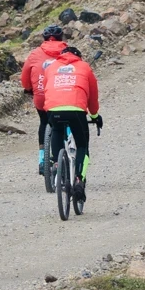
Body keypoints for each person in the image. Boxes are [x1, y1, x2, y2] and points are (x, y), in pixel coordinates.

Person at [40, 44, 100, 192]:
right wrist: (95, 116)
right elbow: (92, 96)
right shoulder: (84, 67)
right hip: (76, 110)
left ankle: (55, 163)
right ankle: (79, 179)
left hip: (53, 109)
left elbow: (46, 90)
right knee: (82, 145)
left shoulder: (51, 68)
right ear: (78, 57)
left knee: (57, 131)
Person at [20, 23, 69, 178]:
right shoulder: (68, 52)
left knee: (44, 122)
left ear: (44, 38)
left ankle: (42, 160)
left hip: (41, 97)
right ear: (61, 38)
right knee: (64, 122)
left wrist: (30, 89)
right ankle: (66, 153)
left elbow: (25, 78)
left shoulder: (35, 54)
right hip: (62, 96)